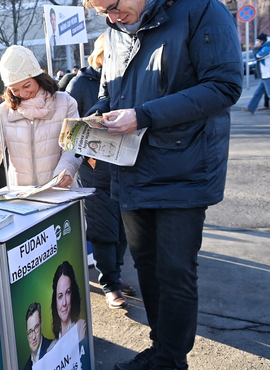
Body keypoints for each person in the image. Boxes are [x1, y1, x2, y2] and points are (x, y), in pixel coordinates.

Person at [84, 0, 242, 368]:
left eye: (113, 6)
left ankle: (171, 360)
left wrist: (143, 116)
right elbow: (111, 91)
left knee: (174, 272)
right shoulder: (116, 27)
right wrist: (97, 117)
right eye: (99, 12)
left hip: (183, 169)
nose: (110, 17)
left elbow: (224, 86)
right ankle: (160, 351)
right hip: (132, 169)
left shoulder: (201, 10)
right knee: (147, 269)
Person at [66, 33, 136, 309]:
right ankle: (111, 285)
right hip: (96, 170)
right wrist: (85, 155)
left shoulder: (125, 80)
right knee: (103, 229)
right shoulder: (80, 84)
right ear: (99, 55)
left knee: (123, 229)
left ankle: (117, 275)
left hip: (125, 165)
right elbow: (68, 129)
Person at [0, 45, 81, 198]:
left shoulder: (66, 103)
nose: (22, 94)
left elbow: (73, 145)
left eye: (27, 85)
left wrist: (67, 170)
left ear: (38, 77)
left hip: (60, 190)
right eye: (14, 90)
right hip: (21, 195)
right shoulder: (3, 111)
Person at [50, 261, 87, 343]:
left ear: (73, 294)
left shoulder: (81, 328)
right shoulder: (51, 347)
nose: (64, 303)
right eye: (60, 296)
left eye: (68, 292)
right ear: (55, 300)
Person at [243, 33, 270, 114]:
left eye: (258, 40)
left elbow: (258, 56)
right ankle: (251, 108)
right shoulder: (264, 47)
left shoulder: (267, 48)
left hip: (268, 74)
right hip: (264, 74)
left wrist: (256, 48)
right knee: (258, 92)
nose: (256, 42)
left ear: (262, 41)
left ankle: (251, 108)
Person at [23, 302, 52, 370]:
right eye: (30, 332)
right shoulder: (27, 368)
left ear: (41, 324)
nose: (33, 337)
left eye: (36, 328)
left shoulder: (53, 349)